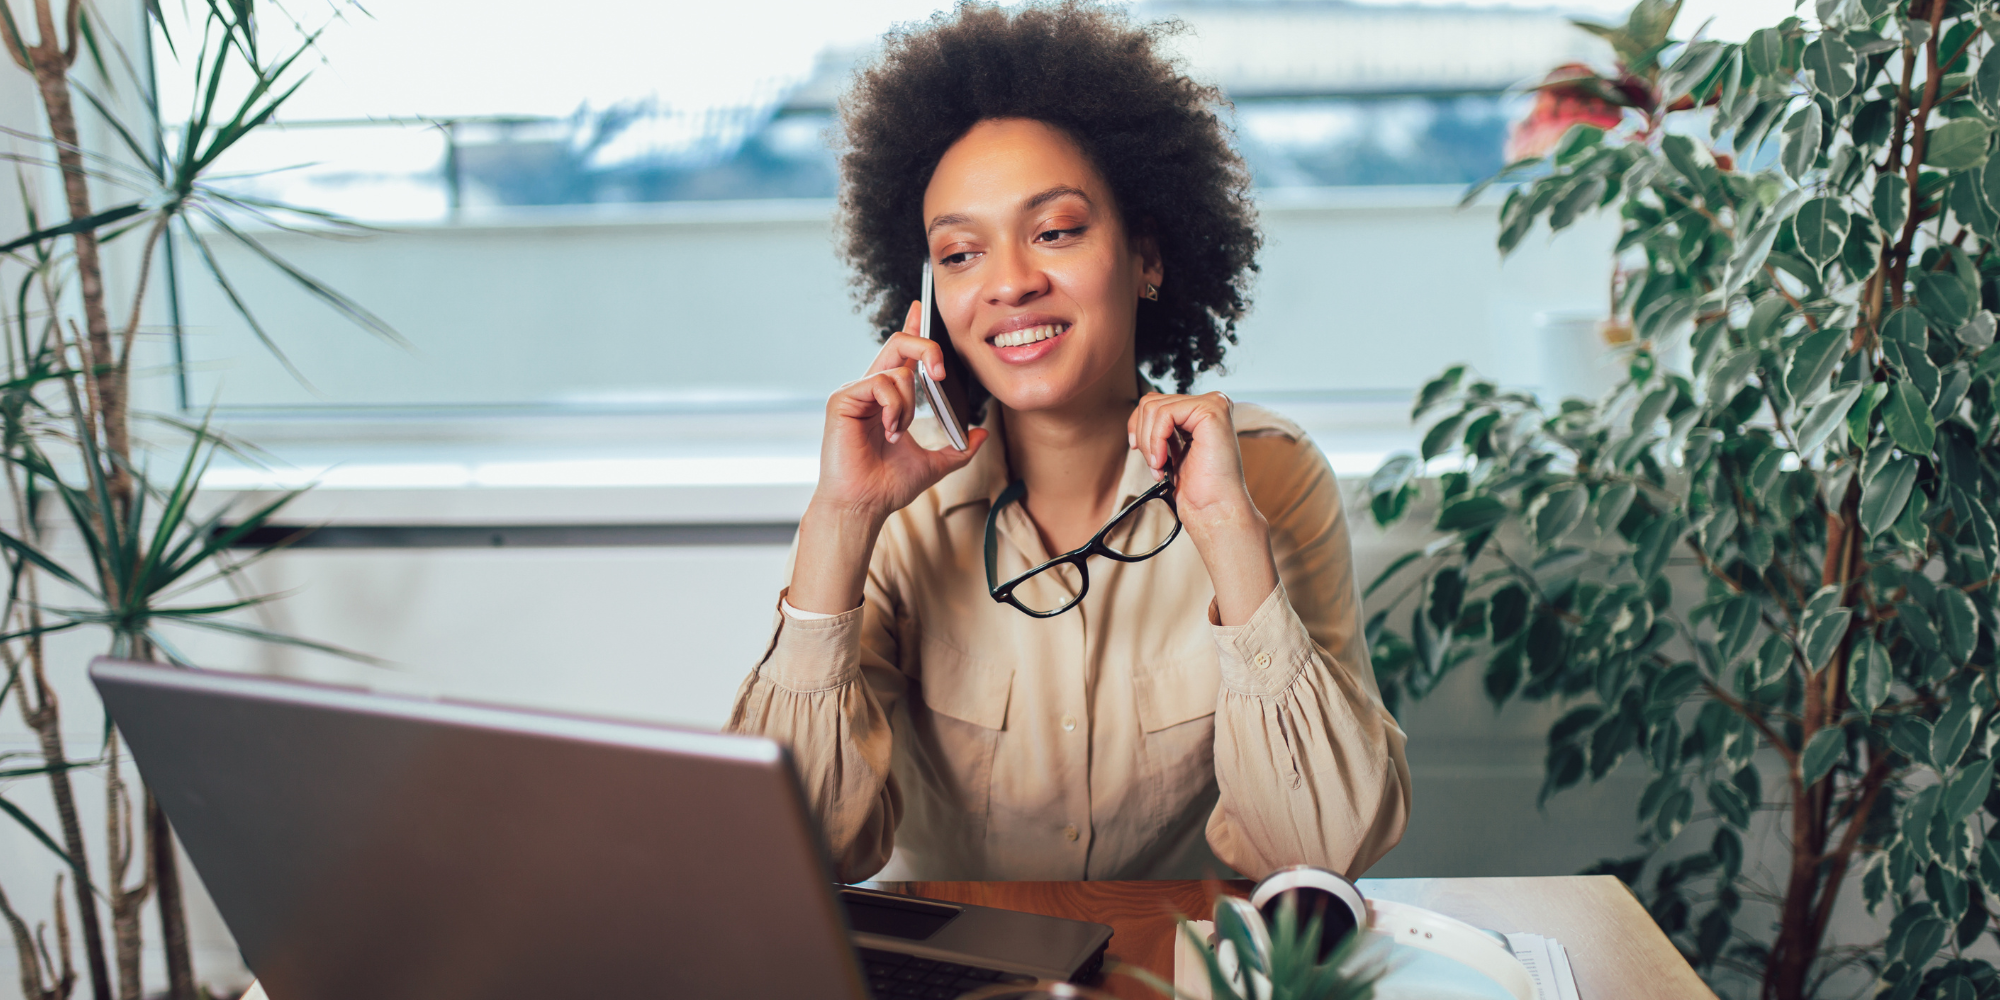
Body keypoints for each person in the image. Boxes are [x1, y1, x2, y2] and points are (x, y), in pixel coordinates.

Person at [727, 1, 1410, 883]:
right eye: (961, 254)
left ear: (1147, 258)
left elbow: (1321, 853)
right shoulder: (901, 499)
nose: (1009, 283)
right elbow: (789, 856)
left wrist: (1230, 537)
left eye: (1054, 232)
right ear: (928, 302)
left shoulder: (1267, 475)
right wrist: (839, 521)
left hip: (1167, 968)